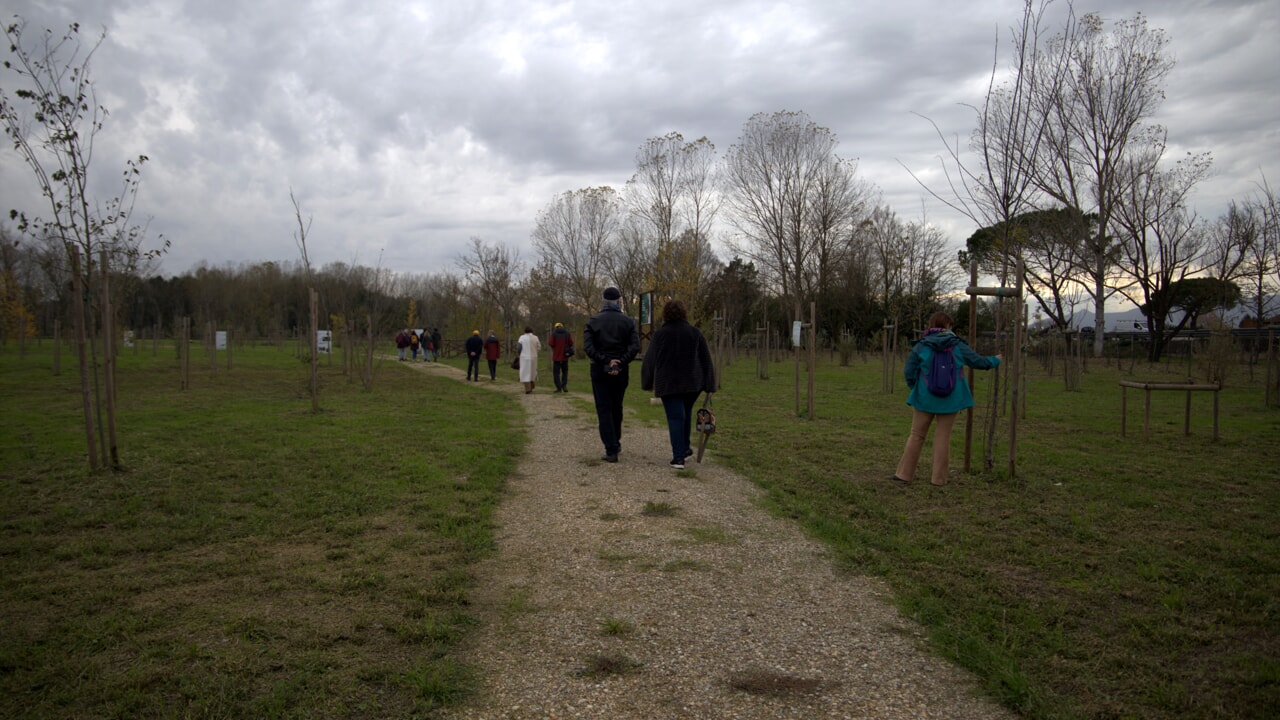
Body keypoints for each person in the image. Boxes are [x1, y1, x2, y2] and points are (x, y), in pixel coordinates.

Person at [894, 311, 1002, 486]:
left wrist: (916, 387)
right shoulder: (957, 345)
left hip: (924, 398)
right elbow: (978, 362)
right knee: (943, 436)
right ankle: (938, 479)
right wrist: (995, 360)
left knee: (916, 435)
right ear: (948, 326)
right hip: (951, 398)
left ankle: (904, 474)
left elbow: (909, 371)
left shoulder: (922, 346)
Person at [641, 299, 717, 470]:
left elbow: (649, 360)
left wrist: (647, 382)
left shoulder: (660, 335)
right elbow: (706, 360)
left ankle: (678, 457)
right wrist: (710, 385)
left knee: (676, 417)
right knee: (685, 413)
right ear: (684, 313)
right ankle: (685, 448)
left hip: (668, 382)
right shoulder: (695, 333)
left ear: (665, 314)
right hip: (692, 382)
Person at [583, 286, 640, 463]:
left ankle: (611, 447)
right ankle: (616, 440)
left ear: (603, 300)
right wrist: (621, 361)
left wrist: (606, 360)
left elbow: (588, 347)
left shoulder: (593, 322)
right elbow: (635, 346)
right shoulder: (628, 322)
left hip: (599, 368)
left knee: (604, 407)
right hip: (621, 369)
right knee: (617, 405)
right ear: (619, 300)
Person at [547, 322, 575, 392]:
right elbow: (571, 343)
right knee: (565, 372)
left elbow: (551, 343)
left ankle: (558, 387)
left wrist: (555, 348)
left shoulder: (553, 334)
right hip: (565, 356)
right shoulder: (567, 333)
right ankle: (564, 386)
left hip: (556, 357)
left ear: (555, 327)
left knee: (556, 373)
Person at [517, 325, 541, 393]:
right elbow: (539, 347)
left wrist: (519, 354)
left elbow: (519, 347)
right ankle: (532, 382)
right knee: (532, 371)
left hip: (524, 357)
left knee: (525, 373)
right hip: (534, 357)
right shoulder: (535, 337)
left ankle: (528, 389)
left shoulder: (522, 337)